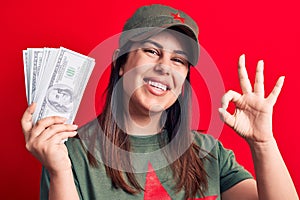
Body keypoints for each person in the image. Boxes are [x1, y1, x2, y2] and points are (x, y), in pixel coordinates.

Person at [21, 4, 299, 200]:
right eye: (152, 51)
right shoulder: (72, 154)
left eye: (178, 60)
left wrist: (263, 142)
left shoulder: (209, 153)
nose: (165, 67)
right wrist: (58, 171)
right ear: (121, 61)